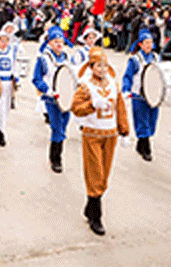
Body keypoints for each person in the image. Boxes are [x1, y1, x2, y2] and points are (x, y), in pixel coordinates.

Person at [71, 47, 130, 236]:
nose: (102, 69)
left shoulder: (113, 84)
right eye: (98, 65)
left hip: (110, 135)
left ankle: (89, 207)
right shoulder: (85, 85)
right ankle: (96, 215)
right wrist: (91, 105)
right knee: (95, 174)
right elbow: (76, 107)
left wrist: (125, 130)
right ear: (92, 66)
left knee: (104, 176)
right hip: (92, 135)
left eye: (105, 65)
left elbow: (120, 107)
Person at [32, 26, 73, 173]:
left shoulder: (67, 57)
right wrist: (48, 90)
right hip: (52, 100)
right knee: (57, 128)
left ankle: (56, 155)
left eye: (61, 41)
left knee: (63, 127)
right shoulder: (43, 59)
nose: (59, 44)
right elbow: (36, 79)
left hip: (66, 99)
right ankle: (56, 159)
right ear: (49, 43)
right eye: (56, 41)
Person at [122, 29, 159, 162]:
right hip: (139, 95)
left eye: (150, 42)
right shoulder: (135, 59)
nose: (149, 45)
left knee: (152, 122)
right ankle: (146, 148)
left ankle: (140, 144)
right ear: (140, 44)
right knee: (142, 122)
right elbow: (128, 76)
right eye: (146, 43)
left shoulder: (156, 57)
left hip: (153, 95)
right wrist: (126, 89)